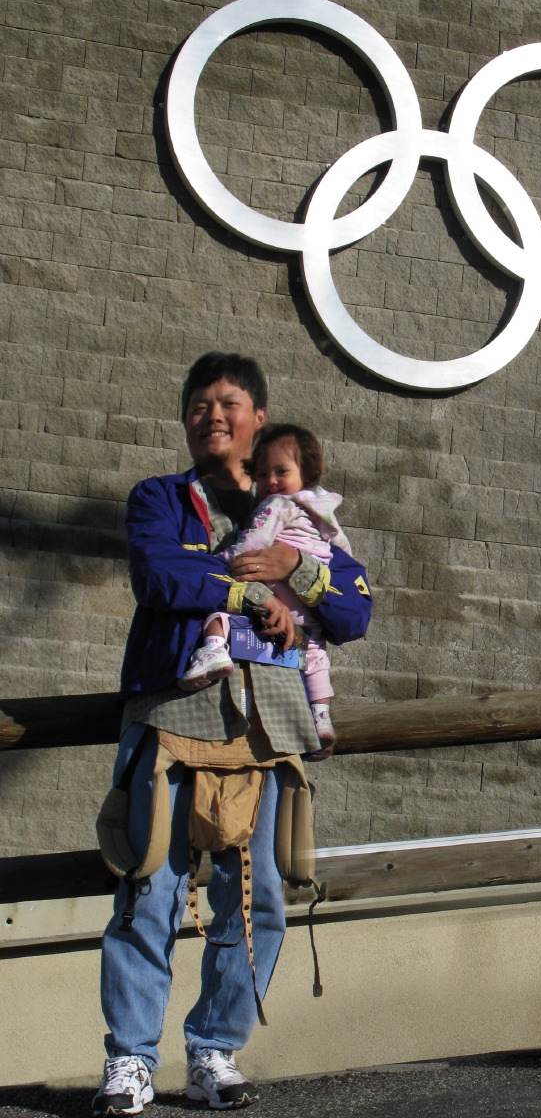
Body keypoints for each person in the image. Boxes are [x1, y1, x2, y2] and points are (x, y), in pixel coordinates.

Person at [95, 353, 345, 1115]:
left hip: (267, 722)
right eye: (199, 404)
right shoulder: (158, 499)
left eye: (229, 402)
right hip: (173, 712)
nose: (213, 414)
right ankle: (131, 1061)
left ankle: (214, 1050)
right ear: (185, 419)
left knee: (257, 898)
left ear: (258, 418)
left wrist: (297, 571)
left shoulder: (303, 509)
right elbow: (160, 577)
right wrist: (244, 586)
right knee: (148, 890)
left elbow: (353, 607)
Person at [179, 423, 352, 762]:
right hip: (307, 597)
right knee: (314, 653)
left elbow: (255, 542)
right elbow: (345, 554)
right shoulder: (325, 511)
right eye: (261, 474)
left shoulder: (277, 505)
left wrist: (223, 562)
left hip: (274, 585)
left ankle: (213, 650)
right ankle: (320, 716)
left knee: (224, 609)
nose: (270, 481)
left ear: (307, 472)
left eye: (280, 471)